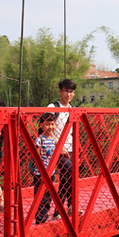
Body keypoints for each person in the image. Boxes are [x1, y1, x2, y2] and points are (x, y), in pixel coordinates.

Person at [47, 78, 76, 215]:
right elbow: (46, 128)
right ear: (60, 92)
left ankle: (58, 212)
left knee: (66, 178)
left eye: (71, 92)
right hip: (55, 149)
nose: (68, 95)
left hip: (71, 148)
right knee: (70, 172)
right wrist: (60, 147)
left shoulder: (73, 109)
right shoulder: (52, 108)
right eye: (65, 91)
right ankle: (70, 206)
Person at [32, 113, 58, 224]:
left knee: (48, 196)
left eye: (52, 124)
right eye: (47, 125)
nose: (50, 127)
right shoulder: (39, 140)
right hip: (40, 173)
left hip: (51, 172)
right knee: (40, 196)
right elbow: (36, 156)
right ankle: (40, 218)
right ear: (41, 126)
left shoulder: (53, 139)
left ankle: (44, 215)